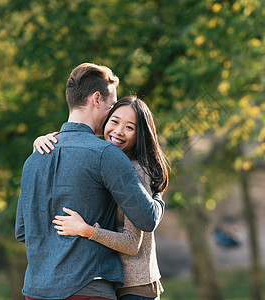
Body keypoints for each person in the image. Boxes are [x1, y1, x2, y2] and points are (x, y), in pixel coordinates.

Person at [15, 63, 165, 300]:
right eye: (111, 105)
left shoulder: (34, 159)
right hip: (87, 288)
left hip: (35, 291)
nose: (112, 114)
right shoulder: (105, 154)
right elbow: (147, 218)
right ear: (97, 99)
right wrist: (158, 193)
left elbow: (23, 231)